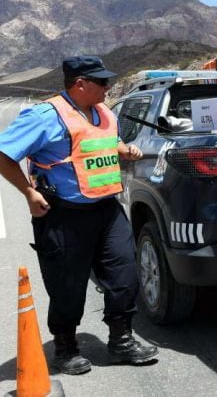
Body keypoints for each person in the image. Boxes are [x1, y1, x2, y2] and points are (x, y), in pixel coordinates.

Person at [0, 56, 159, 375]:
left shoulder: (103, 112)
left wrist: (123, 149)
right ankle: (65, 347)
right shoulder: (46, 116)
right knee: (67, 286)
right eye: (101, 82)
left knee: (125, 275)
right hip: (63, 216)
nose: (108, 86)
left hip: (107, 211)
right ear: (80, 84)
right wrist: (29, 193)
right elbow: (4, 153)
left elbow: (105, 143)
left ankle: (121, 341)